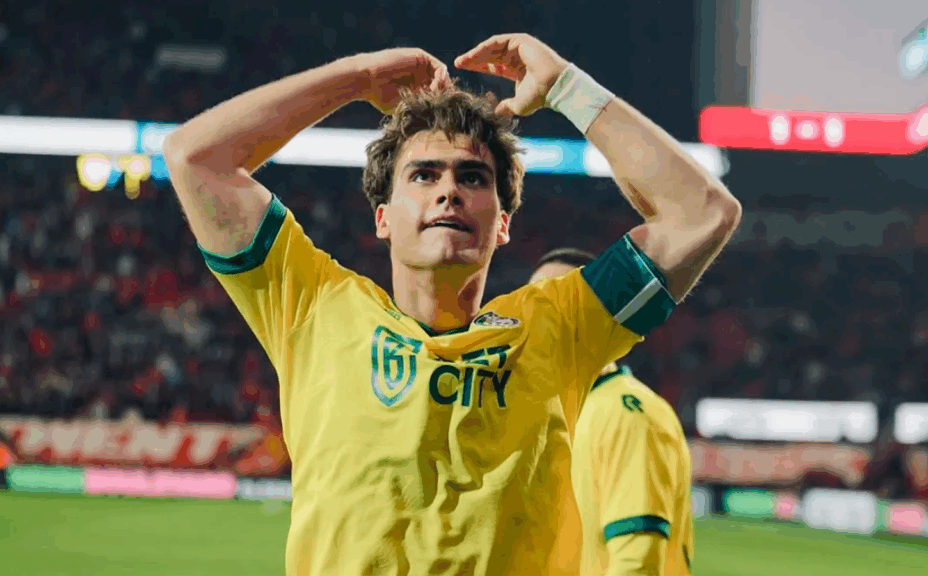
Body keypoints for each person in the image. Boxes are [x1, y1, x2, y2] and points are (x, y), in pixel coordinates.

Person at [163, 32, 740, 575]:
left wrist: (566, 86)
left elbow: (702, 214)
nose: (449, 191)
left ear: (503, 224)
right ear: (383, 217)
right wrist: (355, 78)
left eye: (473, 177)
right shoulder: (314, 307)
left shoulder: (556, 327)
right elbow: (195, 157)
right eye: (423, 175)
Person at [531, 248, 695, 576]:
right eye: (531, 301)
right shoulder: (556, 411)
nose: (536, 315)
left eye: (556, 300)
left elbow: (637, 564)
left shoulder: (628, 415)